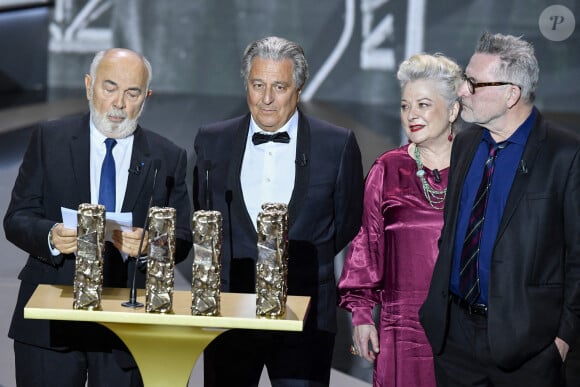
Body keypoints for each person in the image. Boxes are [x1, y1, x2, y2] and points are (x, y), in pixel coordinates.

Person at [4, 48, 193, 386]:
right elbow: (17, 218)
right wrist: (51, 236)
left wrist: (153, 244)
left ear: (145, 97)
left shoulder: (168, 157)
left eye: (132, 92)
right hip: (51, 319)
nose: (119, 102)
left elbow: (181, 238)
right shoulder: (50, 139)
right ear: (89, 86)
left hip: (127, 326)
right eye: (109, 88)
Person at [192, 36, 364, 386]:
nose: (266, 98)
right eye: (258, 85)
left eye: (279, 86)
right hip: (230, 314)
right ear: (246, 85)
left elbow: (346, 222)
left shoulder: (337, 144)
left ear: (298, 89)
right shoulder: (212, 140)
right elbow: (202, 210)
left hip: (306, 317)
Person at [419, 32, 580, 386]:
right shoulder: (464, 143)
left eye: (474, 83)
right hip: (454, 339)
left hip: (528, 350)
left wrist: (564, 339)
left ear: (511, 94)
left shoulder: (566, 155)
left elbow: (577, 258)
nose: (462, 91)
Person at [337, 53, 462, 387]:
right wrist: (362, 315)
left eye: (423, 104)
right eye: (405, 106)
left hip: (465, 332)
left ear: (453, 110)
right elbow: (366, 244)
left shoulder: (478, 166)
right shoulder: (387, 169)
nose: (412, 115)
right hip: (402, 333)